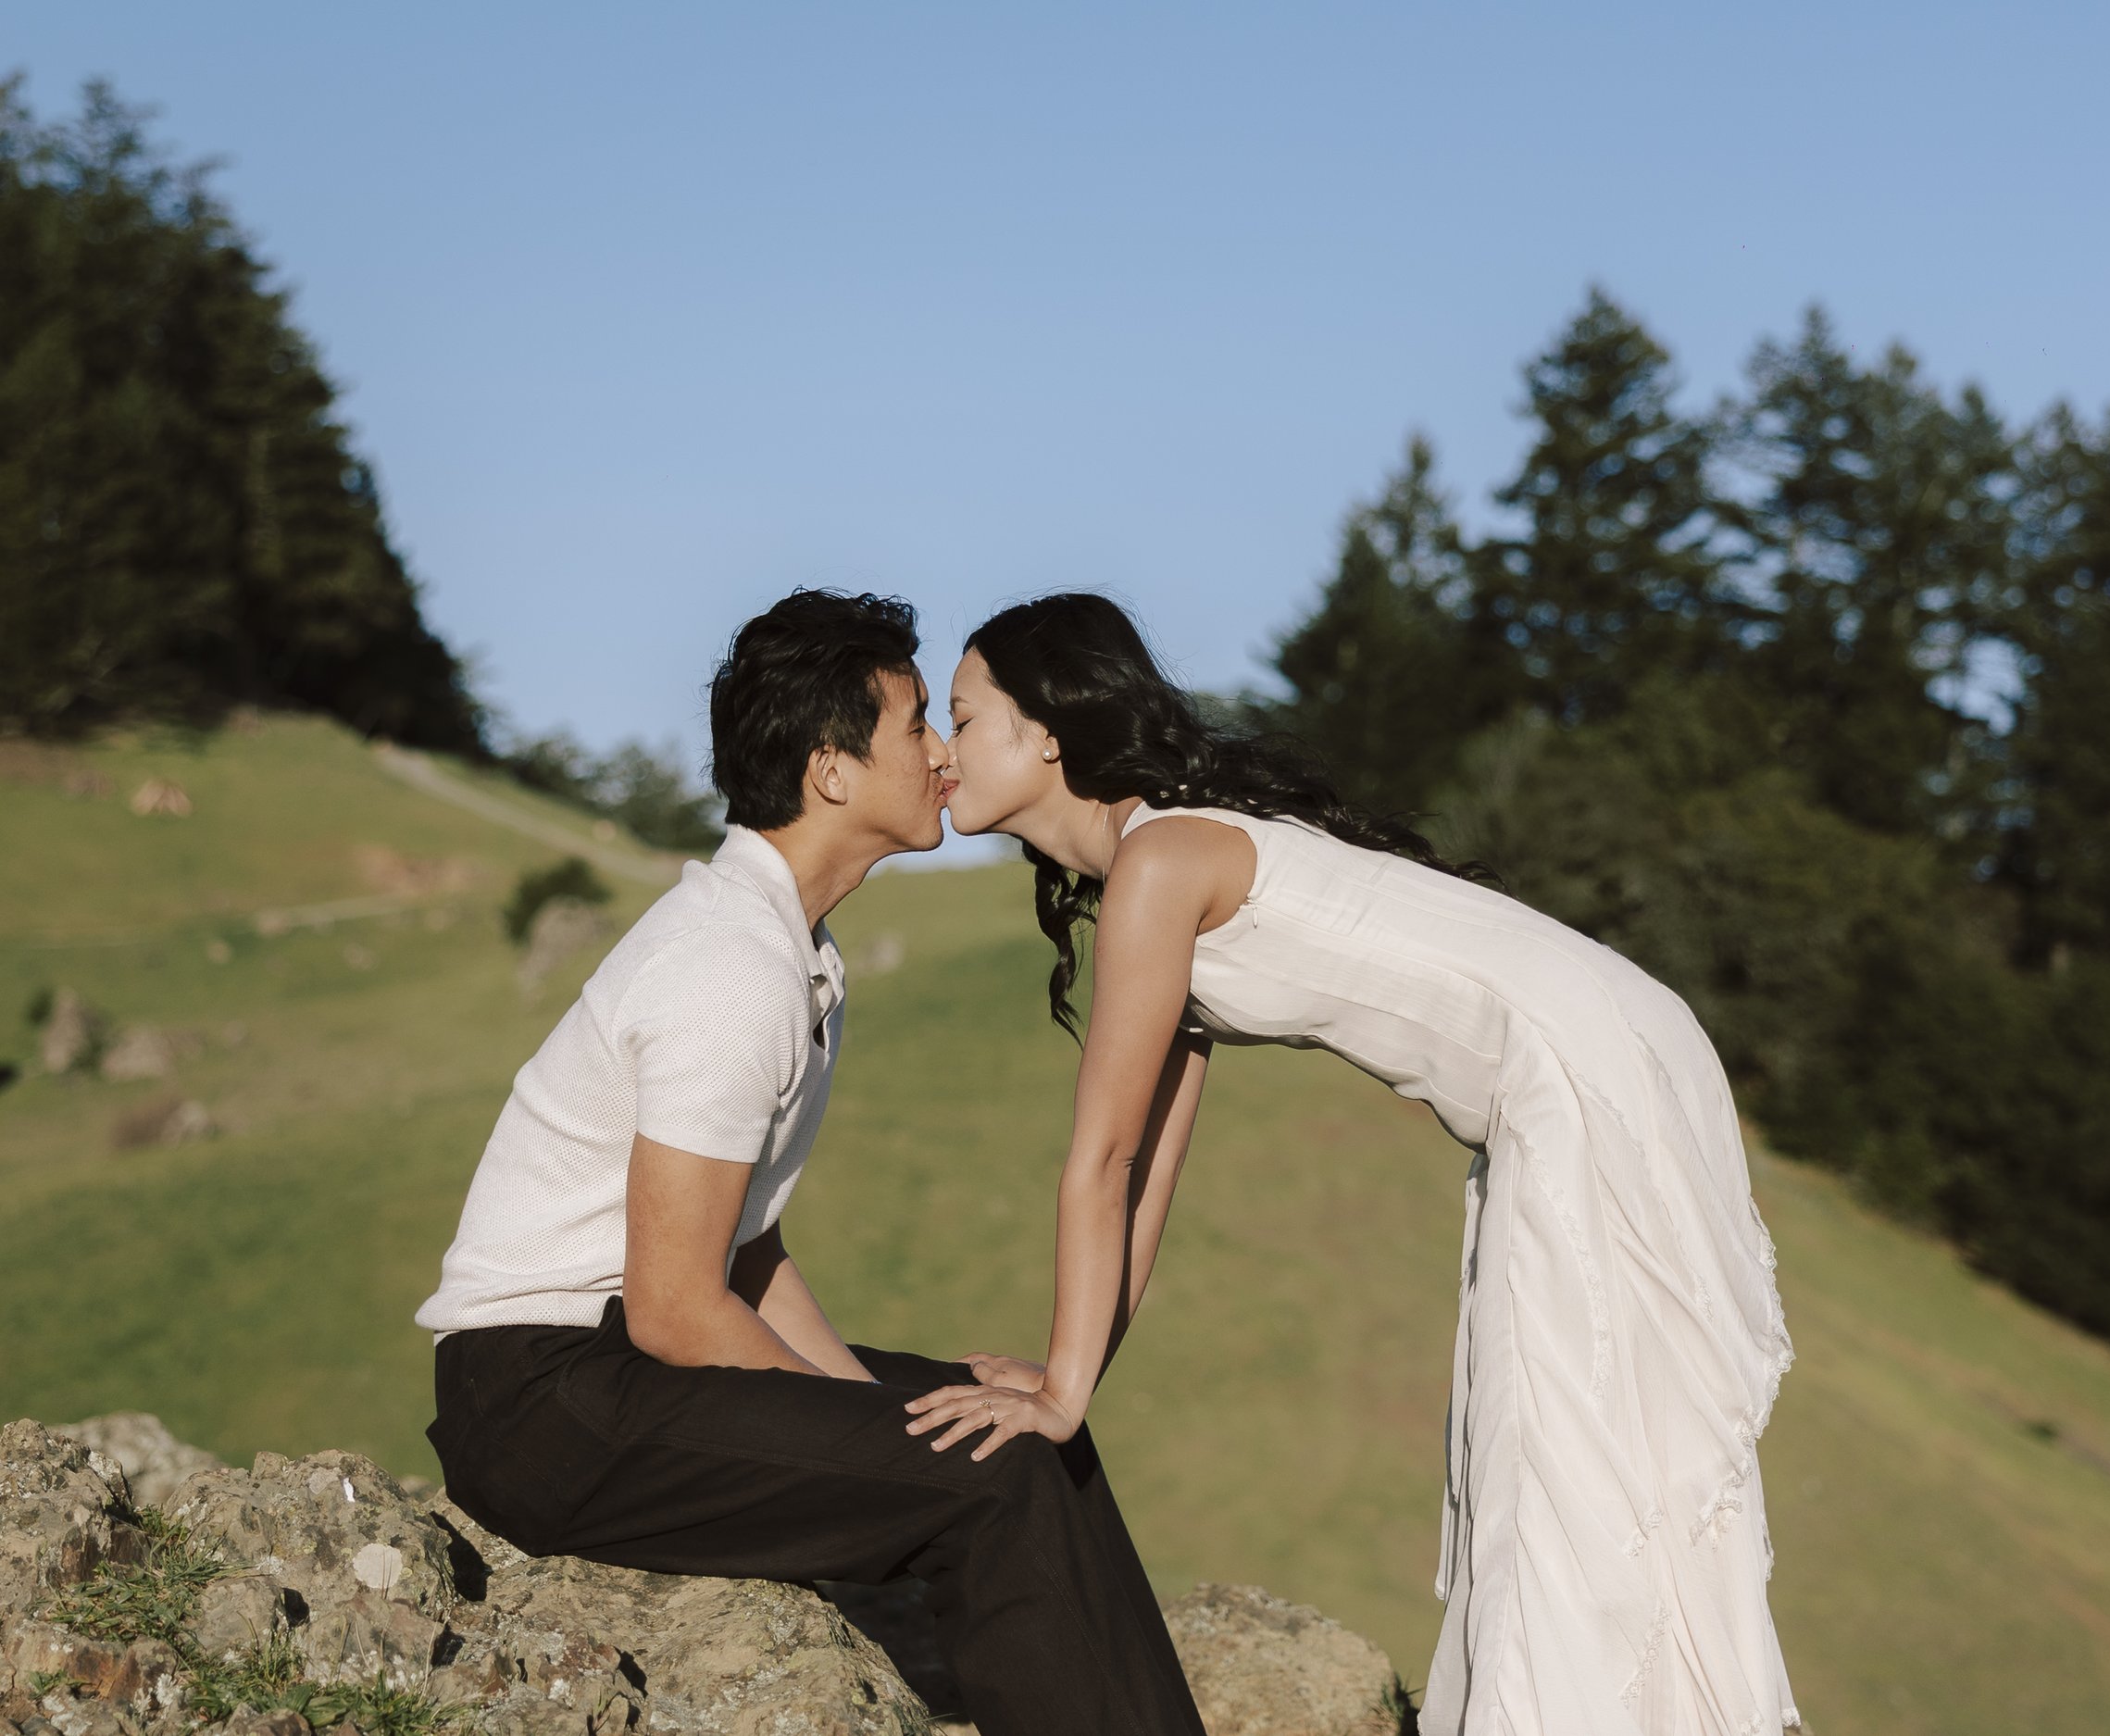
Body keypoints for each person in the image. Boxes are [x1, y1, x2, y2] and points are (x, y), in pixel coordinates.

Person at [905, 593, 1800, 1736]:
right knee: (1561, 1454)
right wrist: (1071, 1375)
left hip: (1585, 1073)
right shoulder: (1159, 858)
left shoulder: (1162, 860)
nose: (941, 751)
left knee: (1556, 1458)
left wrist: (1062, 1398)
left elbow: (1103, 1157)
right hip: (1602, 1055)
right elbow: (1150, 1172)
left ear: (1044, 732)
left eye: (960, 716)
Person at [415, 589, 1206, 1736]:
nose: (944, 754)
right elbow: (677, 1308)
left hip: (611, 1372)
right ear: (831, 771)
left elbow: (747, 1252)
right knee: (995, 1473)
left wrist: (879, 1417)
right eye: (917, 725)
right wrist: (880, 1438)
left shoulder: (791, 953)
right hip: (546, 1404)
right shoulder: (729, 967)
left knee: (1017, 1425)